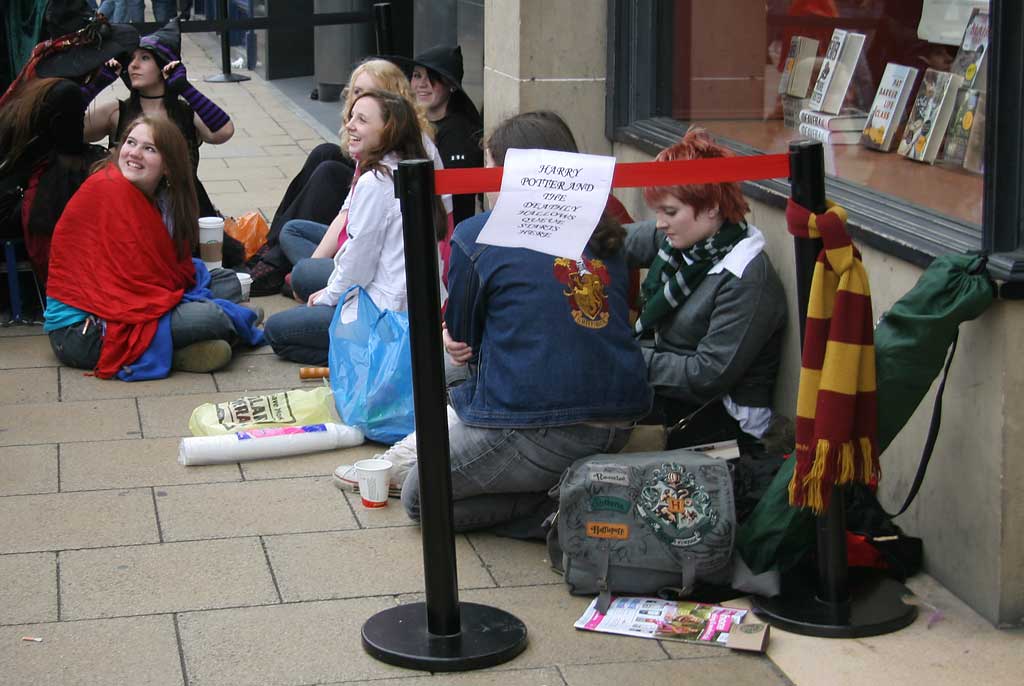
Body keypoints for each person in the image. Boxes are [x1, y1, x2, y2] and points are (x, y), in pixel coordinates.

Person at [397, 111, 653, 534]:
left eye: (491, 167)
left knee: (421, 500)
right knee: (452, 374)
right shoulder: (607, 232)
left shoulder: (477, 235)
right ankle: (557, 487)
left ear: (511, 173)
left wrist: (452, 334)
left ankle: (557, 511)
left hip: (542, 423)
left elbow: (463, 337)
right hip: (621, 414)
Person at [625, 128, 788, 515]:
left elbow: (706, 376)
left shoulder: (748, 278)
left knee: (582, 402)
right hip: (672, 395)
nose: (660, 223)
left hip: (721, 425)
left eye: (670, 212)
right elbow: (612, 242)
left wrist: (622, 357)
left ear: (712, 207)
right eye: (658, 212)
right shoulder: (691, 241)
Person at [44, 115, 263, 378]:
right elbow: (132, 288)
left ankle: (194, 340)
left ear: (168, 166)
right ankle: (189, 343)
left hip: (139, 301)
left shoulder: (160, 198)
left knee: (225, 280)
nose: (134, 153)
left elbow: (166, 271)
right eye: (130, 143)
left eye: (149, 149)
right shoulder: (107, 189)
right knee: (210, 317)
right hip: (85, 331)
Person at [262, 89, 446, 365]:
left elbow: (359, 266)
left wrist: (328, 297)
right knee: (299, 246)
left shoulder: (376, 182)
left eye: (361, 120)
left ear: (388, 130)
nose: (349, 125)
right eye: (351, 116)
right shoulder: (407, 167)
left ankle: (370, 359)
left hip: (384, 313)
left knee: (276, 331)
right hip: (406, 303)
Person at [252, 58, 451, 298]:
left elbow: (365, 256)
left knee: (302, 278)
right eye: (357, 91)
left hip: (390, 275)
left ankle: (294, 275)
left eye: (371, 92)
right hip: (362, 255)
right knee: (292, 232)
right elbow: (348, 214)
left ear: (392, 100)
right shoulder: (373, 143)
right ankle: (292, 271)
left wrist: (318, 282)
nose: (360, 100)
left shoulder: (404, 154)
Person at [81, 17, 244, 266]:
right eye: (131, 59)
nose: (133, 65)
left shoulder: (184, 111)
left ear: (164, 66)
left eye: (144, 58)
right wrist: (96, 84)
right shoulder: (117, 111)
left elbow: (223, 132)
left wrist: (186, 88)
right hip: (127, 210)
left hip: (183, 210)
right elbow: (66, 126)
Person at [0, 14, 139, 281]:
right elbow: (70, 155)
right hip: (11, 204)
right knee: (110, 189)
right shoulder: (66, 93)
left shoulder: (42, 86)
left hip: (10, 188)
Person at [401, 45, 484, 227]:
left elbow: (451, 197)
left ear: (451, 85)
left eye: (432, 77)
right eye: (417, 76)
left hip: (440, 229)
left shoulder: (458, 132)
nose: (422, 84)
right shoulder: (413, 122)